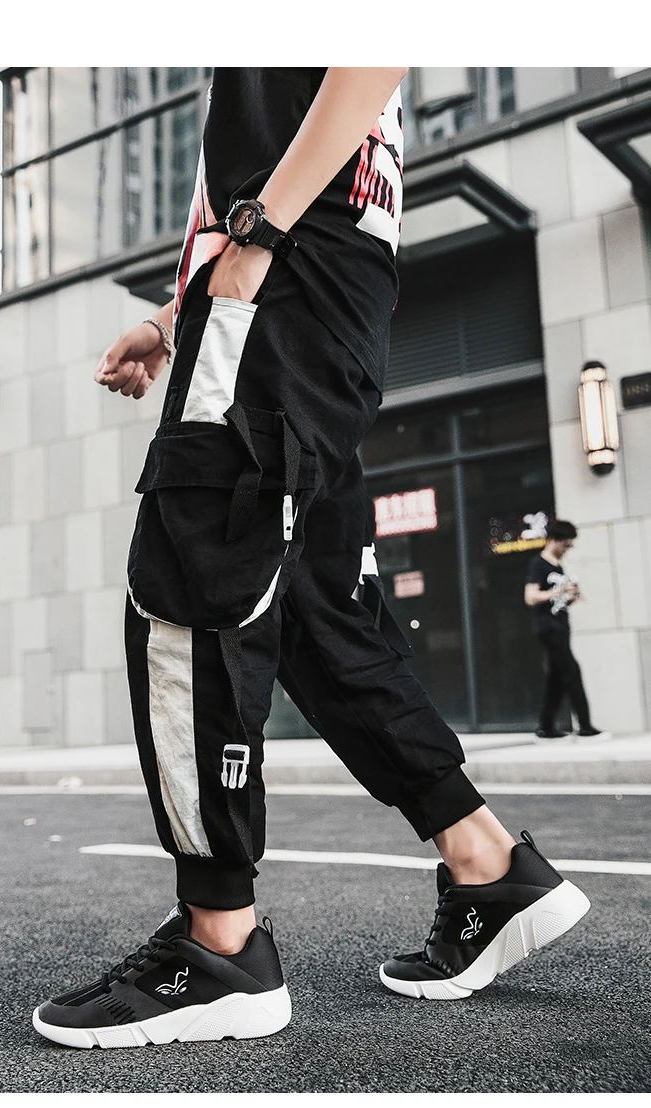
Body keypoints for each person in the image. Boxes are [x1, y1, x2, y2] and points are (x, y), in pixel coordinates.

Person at [32, 68, 590, 1049]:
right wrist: (173, 315)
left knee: (194, 575)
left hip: (280, 287)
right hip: (319, 301)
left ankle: (218, 944)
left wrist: (255, 240)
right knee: (316, 612)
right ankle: (487, 863)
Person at [525, 519, 605, 741]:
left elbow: (556, 602)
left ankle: (545, 727)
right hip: (547, 628)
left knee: (557, 678)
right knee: (571, 671)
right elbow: (530, 597)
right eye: (566, 545)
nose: (567, 549)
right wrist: (559, 591)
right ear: (553, 540)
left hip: (560, 626)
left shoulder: (557, 566)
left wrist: (571, 596)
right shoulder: (538, 564)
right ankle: (585, 726)